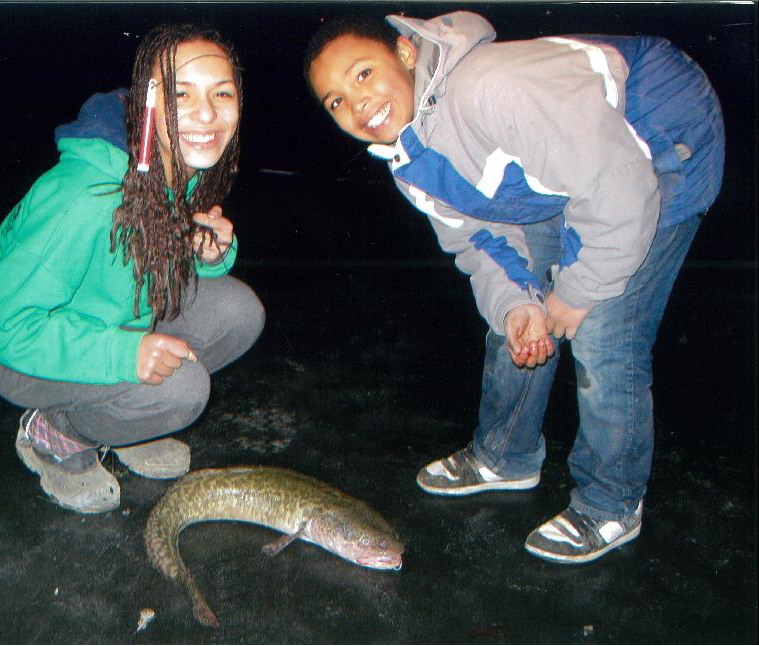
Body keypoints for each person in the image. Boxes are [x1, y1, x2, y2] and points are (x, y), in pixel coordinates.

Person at [304, 11, 723, 563]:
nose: (356, 104)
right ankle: (506, 455)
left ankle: (612, 503)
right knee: (519, 316)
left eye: (362, 73)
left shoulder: (488, 89)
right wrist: (518, 304)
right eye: (335, 100)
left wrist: (578, 291)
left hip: (658, 130)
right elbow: (479, 240)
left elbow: (619, 186)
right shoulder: (408, 161)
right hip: (575, 160)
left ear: (406, 53)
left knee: (602, 330)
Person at [0, 23, 265, 514]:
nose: (207, 114)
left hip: (110, 317)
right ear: (148, 103)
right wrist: (124, 356)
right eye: (181, 93)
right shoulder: (85, 195)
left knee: (239, 311)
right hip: (16, 347)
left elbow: (137, 263)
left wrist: (206, 253)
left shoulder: (170, 166)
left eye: (221, 93)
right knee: (183, 389)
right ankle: (55, 434)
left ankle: (125, 421)